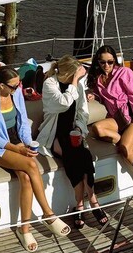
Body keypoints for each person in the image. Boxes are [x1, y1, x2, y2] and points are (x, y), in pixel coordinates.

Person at [0, 67, 70, 251]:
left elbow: (23, 122)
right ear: (1, 86)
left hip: (16, 141)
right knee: (30, 164)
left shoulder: (16, 93)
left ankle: (25, 229)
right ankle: (48, 214)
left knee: (26, 178)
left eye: (18, 83)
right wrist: (16, 148)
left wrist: (27, 143)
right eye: (13, 86)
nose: (18, 87)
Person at [37, 56, 108, 228]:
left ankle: (82, 204)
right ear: (69, 75)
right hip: (54, 135)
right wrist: (75, 80)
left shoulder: (77, 86)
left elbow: (82, 112)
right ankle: (92, 202)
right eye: (74, 75)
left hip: (73, 132)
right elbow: (64, 103)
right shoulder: (50, 84)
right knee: (75, 153)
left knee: (82, 155)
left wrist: (80, 129)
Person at [86, 45, 133, 196]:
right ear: (98, 62)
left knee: (124, 149)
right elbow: (103, 96)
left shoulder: (124, 72)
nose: (107, 66)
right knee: (96, 129)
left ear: (115, 61)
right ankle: (132, 148)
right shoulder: (98, 78)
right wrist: (94, 95)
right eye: (103, 62)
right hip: (116, 118)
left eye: (110, 62)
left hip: (132, 117)